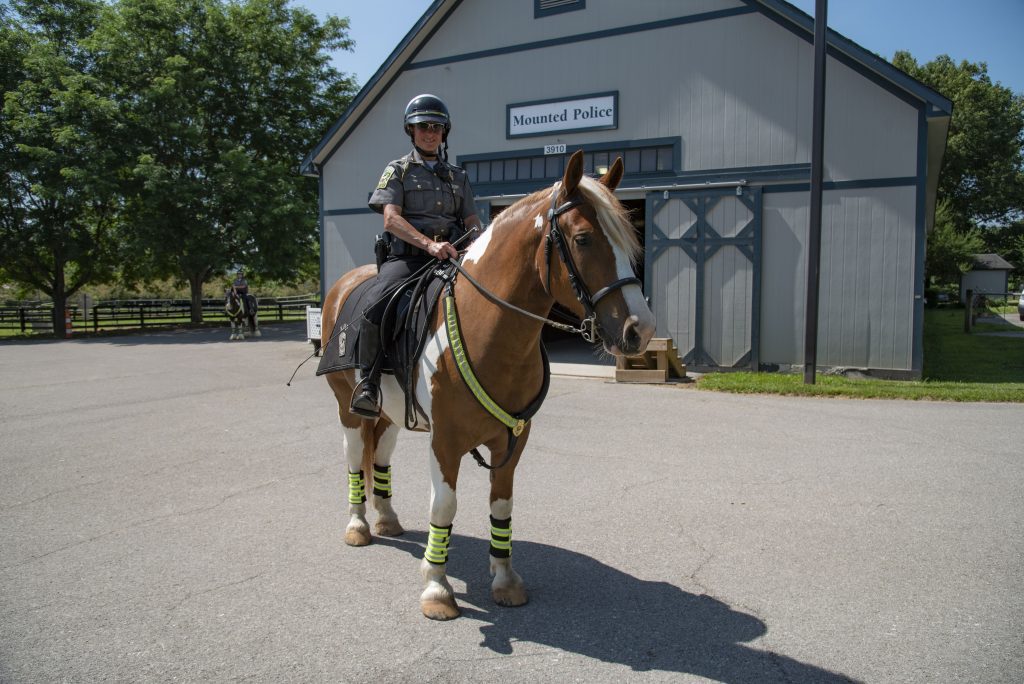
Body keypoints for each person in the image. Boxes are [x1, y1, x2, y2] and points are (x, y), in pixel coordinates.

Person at [350, 93, 484, 418]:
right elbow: (391, 219)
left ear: (444, 132)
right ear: (411, 131)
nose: (430, 132)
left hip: (452, 256)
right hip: (408, 260)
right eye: (423, 126)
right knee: (376, 302)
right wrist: (429, 244)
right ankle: (368, 384)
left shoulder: (459, 176)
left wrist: (476, 240)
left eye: (436, 127)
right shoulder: (397, 170)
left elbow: (471, 220)